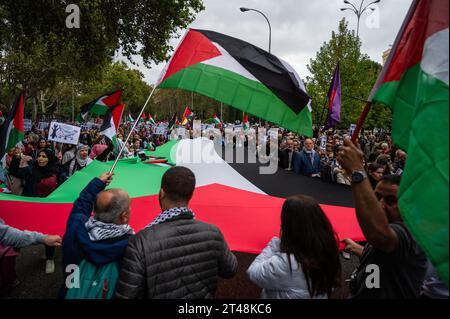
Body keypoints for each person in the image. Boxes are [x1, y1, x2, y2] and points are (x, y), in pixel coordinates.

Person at [115, 166, 237, 299]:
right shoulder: (213, 233)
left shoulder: (140, 241)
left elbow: (127, 294)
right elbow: (230, 270)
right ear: (191, 195)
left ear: (161, 193)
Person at [338, 138, 427, 298]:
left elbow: (378, 235)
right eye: (377, 197)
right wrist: (357, 248)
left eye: (391, 200)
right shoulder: (389, 235)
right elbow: (383, 254)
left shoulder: (411, 231)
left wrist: (357, 170)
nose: (381, 205)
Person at [247, 195, 341, 299]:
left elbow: (253, 272)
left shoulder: (287, 263)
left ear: (290, 227)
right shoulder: (328, 249)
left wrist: (276, 243)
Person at [61, 172, 134, 298]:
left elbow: (81, 205)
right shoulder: (133, 246)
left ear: (94, 211)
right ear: (124, 216)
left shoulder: (76, 228)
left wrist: (97, 183)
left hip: (70, 291)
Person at [8, 147, 60, 273]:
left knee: (48, 234)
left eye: (44, 156)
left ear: (50, 159)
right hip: (29, 207)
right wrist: (16, 157)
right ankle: (10, 261)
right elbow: (14, 171)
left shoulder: (56, 172)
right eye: (40, 156)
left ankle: (49, 259)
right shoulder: (31, 169)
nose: (41, 159)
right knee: (19, 231)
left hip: (47, 209)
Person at [0, 218, 62, 296]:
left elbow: (6, 234)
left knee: (50, 231)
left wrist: (42, 238)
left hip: (7, 248)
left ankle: (49, 258)